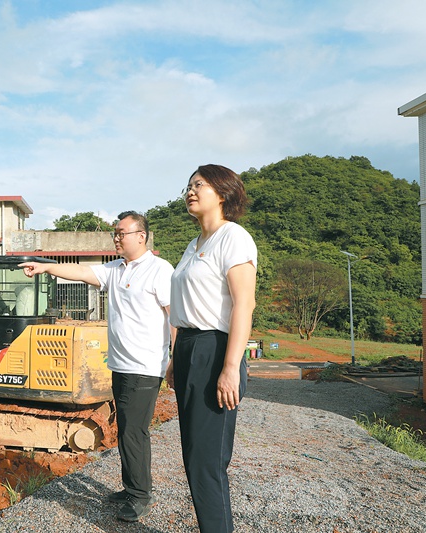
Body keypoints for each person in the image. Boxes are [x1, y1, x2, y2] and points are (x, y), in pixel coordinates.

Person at [19, 211, 175, 522]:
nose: (117, 238)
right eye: (115, 233)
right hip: (120, 365)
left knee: (134, 432)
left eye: (122, 233)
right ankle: (131, 488)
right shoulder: (115, 269)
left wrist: (175, 360)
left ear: (141, 236)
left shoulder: (160, 270)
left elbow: (175, 317)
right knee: (126, 428)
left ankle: (140, 495)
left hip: (145, 367)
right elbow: (81, 271)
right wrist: (46, 266)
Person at [166, 164, 257, 533]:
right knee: (193, 455)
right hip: (189, 347)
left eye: (199, 185)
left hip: (214, 349)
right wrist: (175, 358)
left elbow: (244, 304)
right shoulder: (193, 245)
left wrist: (231, 367)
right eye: (188, 185)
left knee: (207, 461)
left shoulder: (233, 237)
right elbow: (185, 309)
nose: (190, 191)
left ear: (222, 193)